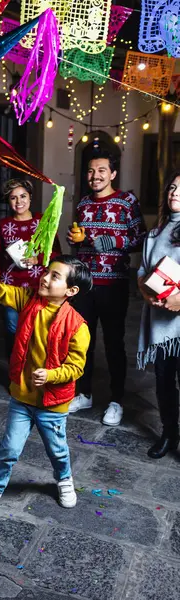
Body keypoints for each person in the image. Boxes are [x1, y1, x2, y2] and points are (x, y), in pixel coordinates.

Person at [0, 247, 92, 516]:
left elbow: (76, 367)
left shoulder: (78, 326)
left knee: (57, 451)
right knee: (9, 449)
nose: (45, 278)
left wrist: (51, 375)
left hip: (53, 403)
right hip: (22, 397)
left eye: (55, 276)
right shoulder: (27, 299)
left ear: (70, 291)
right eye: (47, 272)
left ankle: (64, 479)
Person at [67, 151, 146, 426]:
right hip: (85, 284)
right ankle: (84, 393)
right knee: (82, 343)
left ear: (113, 174)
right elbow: (80, 242)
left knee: (113, 343)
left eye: (101, 170)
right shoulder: (84, 204)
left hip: (113, 284)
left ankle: (116, 401)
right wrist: (76, 239)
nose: (95, 176)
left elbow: (139, 238)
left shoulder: (127, 201)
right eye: (90, 171)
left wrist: (100, 239)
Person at [0, 178, 61, 357]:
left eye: (23, 196)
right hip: (10, 287)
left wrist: (39, 258)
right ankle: (15, 374)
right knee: (12, 330)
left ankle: (35, 374)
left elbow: (56, 253)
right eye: (13, 198)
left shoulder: (43, 222)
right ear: (8, 200)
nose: (19, 201)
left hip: (38, 287)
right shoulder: (3, 225)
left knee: (38, 331)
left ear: (30, 197)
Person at [138, 171, 180, 459]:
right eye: (173, 188)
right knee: (164, 381)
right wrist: (147, 293)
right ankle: (169, 433)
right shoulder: (155, 233)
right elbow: (142, 271)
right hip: (161, 324)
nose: (175, 192)